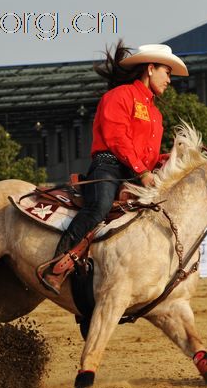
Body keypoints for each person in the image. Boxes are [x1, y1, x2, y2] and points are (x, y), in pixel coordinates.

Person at [37, 42, 189, 294]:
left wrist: (171, 158)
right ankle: (56, 266)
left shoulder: (155, 113)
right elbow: (117, 136)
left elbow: (147, 154)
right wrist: (143, 172)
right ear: (150, 69)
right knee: (100, 206)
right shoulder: (120, 95)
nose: (169, 80)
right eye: (167, 72)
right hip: (109, 165)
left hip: (136, 173)